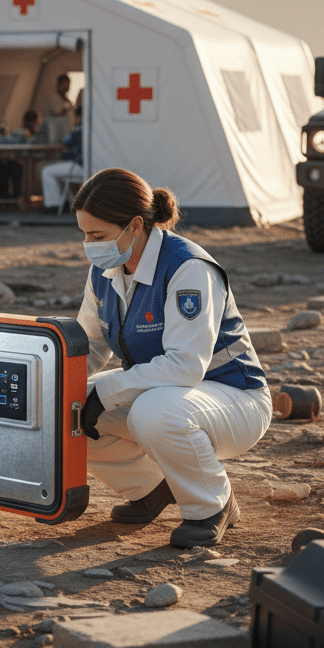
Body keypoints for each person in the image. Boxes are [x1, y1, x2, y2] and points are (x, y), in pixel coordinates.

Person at [71, 168, 271, 547]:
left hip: (234, 398)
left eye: (96, 235)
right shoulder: (105, 271)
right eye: (84, 234)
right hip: (168, 393)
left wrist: (107, 391)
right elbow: (89, 345)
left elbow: (186, 365)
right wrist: (57, 385)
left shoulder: (187, 268)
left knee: (154, 411)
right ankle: (151, 487)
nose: (89, 244)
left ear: (134, 225)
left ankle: (212, 505)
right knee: (64, 407)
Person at [40, 94, 84, 212]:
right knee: (58, 171)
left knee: (47, 171)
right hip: (94, 167)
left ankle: (53, 205)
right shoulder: (95, 130)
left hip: (80, 167)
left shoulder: (79, 131)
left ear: (79, 117)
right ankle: (63, 202)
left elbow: (66, 142)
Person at [42, 73, 73, 141]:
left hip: (67, 132)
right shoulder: (53, 97)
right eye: (67, 84)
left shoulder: (66, 99)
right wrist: (67, 106)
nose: (68, 86)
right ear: (60, 84)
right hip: (56, 132)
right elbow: (57, 114)